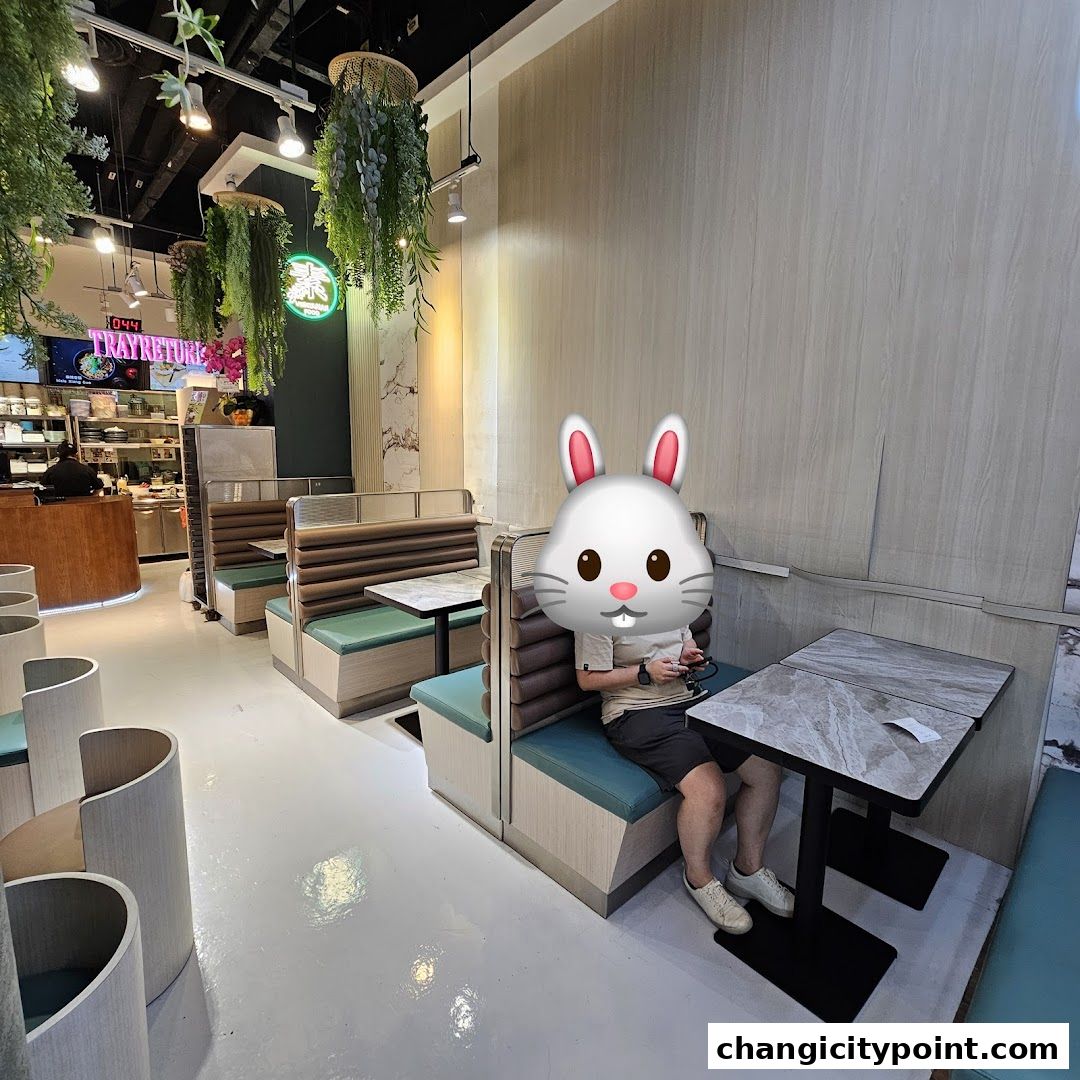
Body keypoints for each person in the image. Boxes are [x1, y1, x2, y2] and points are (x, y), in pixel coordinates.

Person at [576, 625, 794, 934]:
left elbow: (684, 637)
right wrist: (644, 672)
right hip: (636, 713)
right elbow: (587, 679)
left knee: (765, 767)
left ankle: (747, 868)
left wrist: (688, 654)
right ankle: (699, 878)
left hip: (689, 698)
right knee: (709, 789)